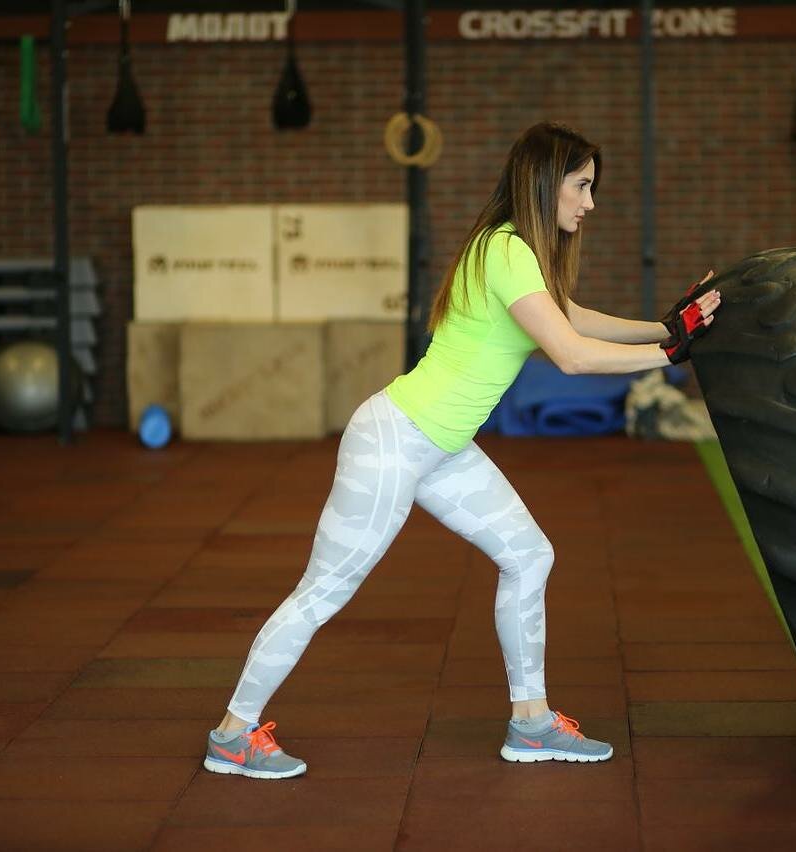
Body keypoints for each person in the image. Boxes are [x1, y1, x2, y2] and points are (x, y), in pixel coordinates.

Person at [203, 121, 721, 779]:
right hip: (394, 442)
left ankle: (530, 722)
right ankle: (233, 735)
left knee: (528, 555)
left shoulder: (512, 251)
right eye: (582, 186)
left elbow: (570, 316)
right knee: (324, 589)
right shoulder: (504, 249)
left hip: (440, 447)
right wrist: (671, 353)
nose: (590, 203)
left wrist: (666, 325)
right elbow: (570, 353)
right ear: (545, 183)